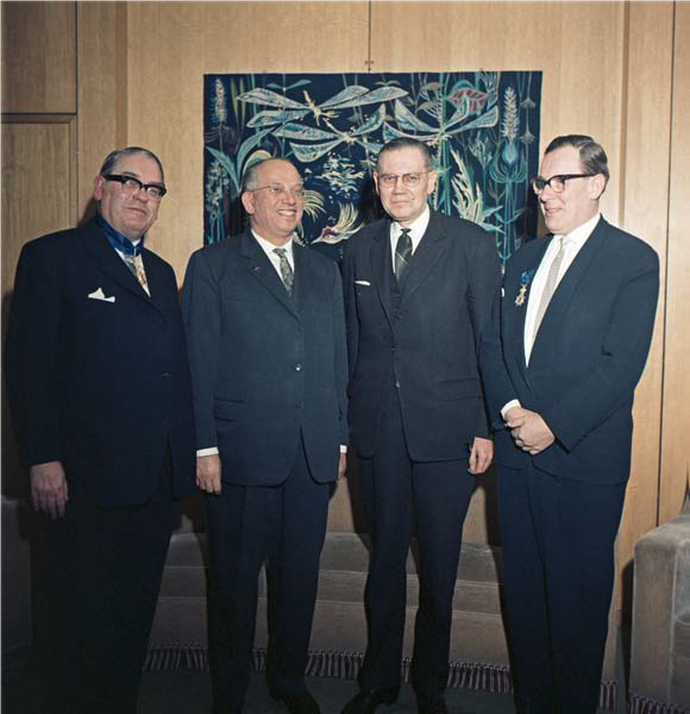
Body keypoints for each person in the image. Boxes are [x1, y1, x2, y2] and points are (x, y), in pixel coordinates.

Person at [4, 147, 196, 713]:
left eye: (154, 188)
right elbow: (28, 366)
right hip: (80, 483)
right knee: (75, 622)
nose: (142, 195)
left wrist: (181, 464)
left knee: (130, 618)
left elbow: (172, 372)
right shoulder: (51, 258)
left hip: (151, 485)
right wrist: (43, 457)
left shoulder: (160, 273)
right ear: (99, 186)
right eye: (129, 181)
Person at [479, 134, 659, 714]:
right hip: (517, 459)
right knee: (526, 603)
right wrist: (511, 413)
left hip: (583, 464)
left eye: (561, 182)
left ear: (596, 185)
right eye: (542, 183)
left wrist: (552, 424)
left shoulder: (633, 260)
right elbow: (498, 348)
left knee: (578, 609)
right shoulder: (524, 258)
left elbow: (620, 365)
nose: (547, 194)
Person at [182, 157, 348, 714]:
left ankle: (288, 681)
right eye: (276, 188)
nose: (290, 198)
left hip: (309, 455)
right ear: (248, 201)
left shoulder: (325, 269)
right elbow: (198, 362)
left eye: (297, 189)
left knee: (297, 581)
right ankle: (229, 692)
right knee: (232, 585)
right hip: (239, 456)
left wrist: (340, 439)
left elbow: (337, 360)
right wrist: (205, 445)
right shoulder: (213, 266)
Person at [341, 137, 501, 714]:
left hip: (449, 434)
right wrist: (346, 429)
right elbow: (352, 348)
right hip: (379, 433)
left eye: (410, 177)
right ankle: (376, 681)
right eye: (388, 178)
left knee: (439, 567)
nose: (399, 188)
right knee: (383, 563)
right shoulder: (356, 250)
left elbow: (489, 341)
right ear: (375, 183)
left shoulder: (472, 245)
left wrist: (485, 425)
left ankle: (430, 686)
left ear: (432, 181)